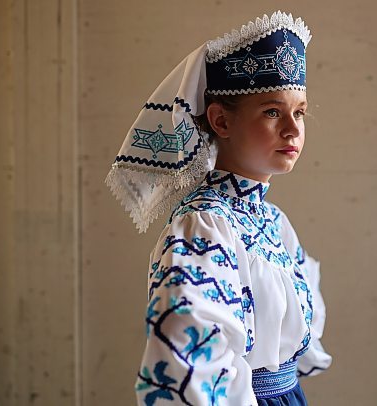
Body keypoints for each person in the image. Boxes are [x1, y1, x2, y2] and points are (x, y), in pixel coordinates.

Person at [105, 10, 332, 405]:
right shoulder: (204, 225)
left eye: (300, 112)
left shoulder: (274, 222)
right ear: (220, 122)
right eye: (273, 111)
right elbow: (188, 359)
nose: (293, 129)